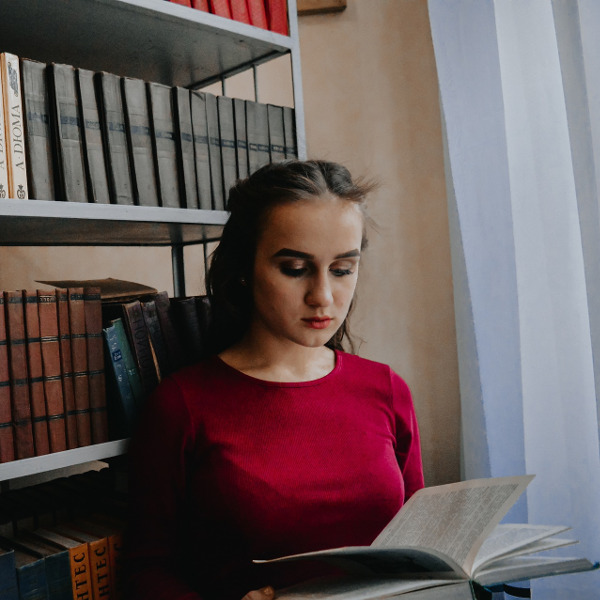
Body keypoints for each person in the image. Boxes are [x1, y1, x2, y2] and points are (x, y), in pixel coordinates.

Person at [124, 160, 424, 600]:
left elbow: (421, 541)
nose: (323, 296)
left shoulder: (387, 389)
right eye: (295, 268)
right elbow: (144, 572)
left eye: (342, 270)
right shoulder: (182, 405)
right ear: (245, 268)